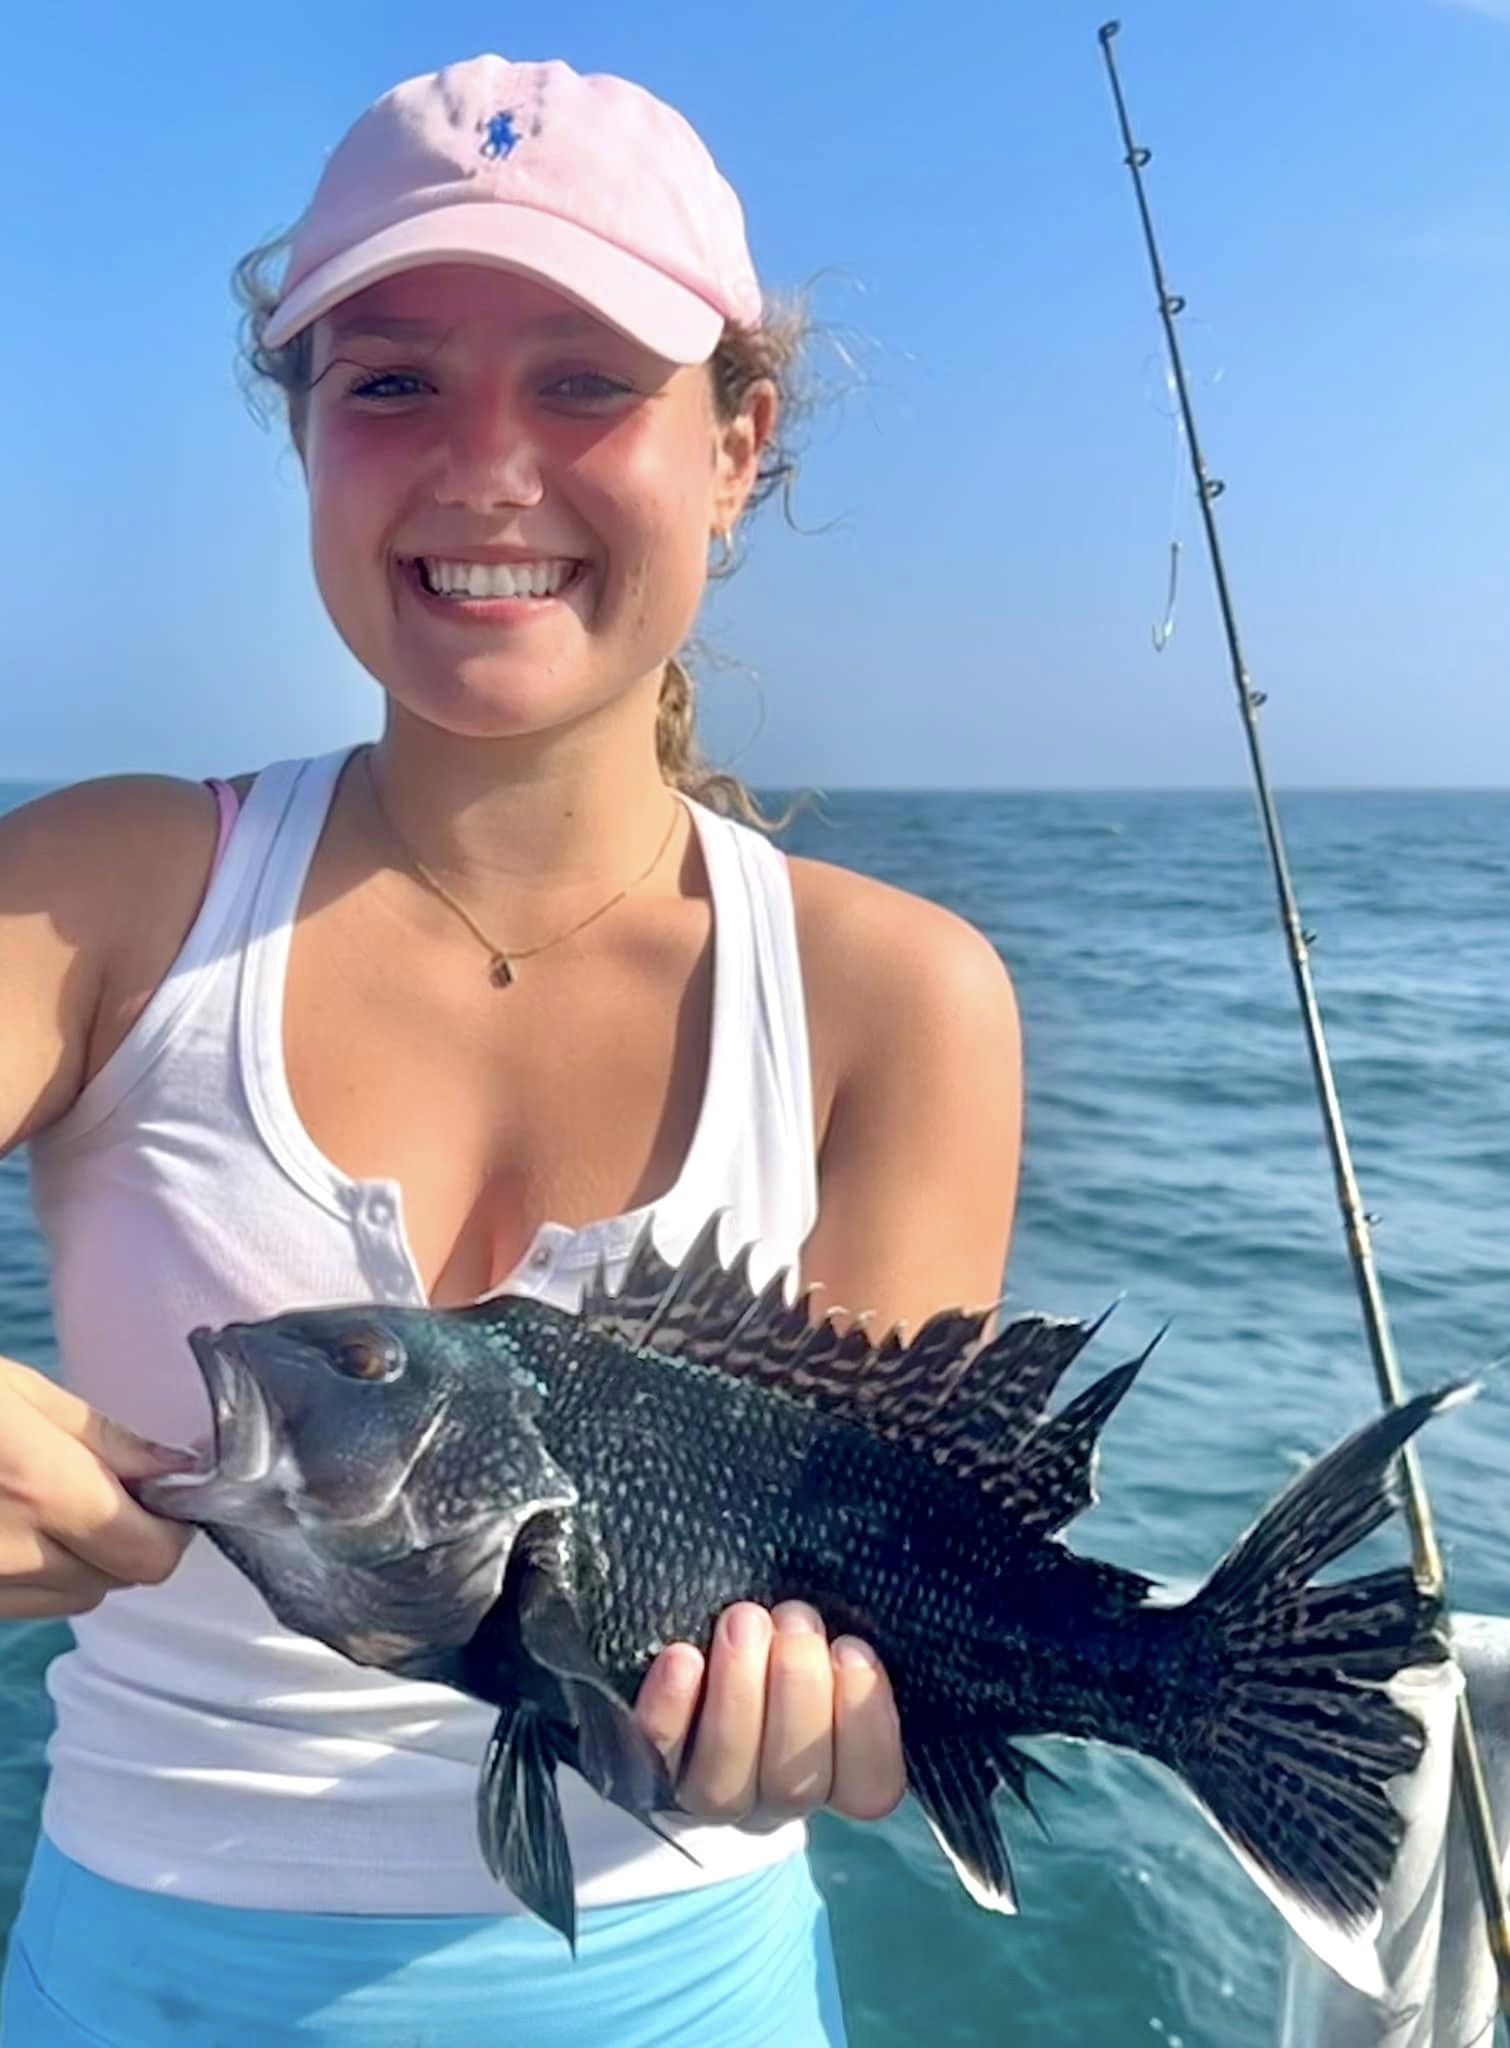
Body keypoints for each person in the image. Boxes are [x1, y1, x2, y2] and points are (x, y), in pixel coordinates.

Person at [0, 54, 1021, 2047]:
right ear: (304, 435)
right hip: (141, 1982)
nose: (483, 468)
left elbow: (902, 1584)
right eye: (390, 381)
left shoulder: (900, 999)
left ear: (733, 449)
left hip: (697, 1991)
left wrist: (839, 1713)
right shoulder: (106, 889)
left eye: (583, 383)